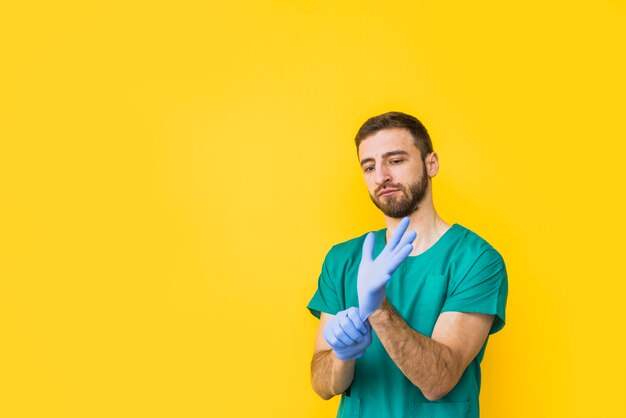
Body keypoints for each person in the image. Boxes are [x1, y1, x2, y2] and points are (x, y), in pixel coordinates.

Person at [307, 111, 508, 418]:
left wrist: (377, 309)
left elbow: (439, 379)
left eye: (396, 160)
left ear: (432, 164)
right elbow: (322, 384)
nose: (381, 177)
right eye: (369, 166)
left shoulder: (476, 259)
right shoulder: (342, 260)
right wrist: (342, 357)